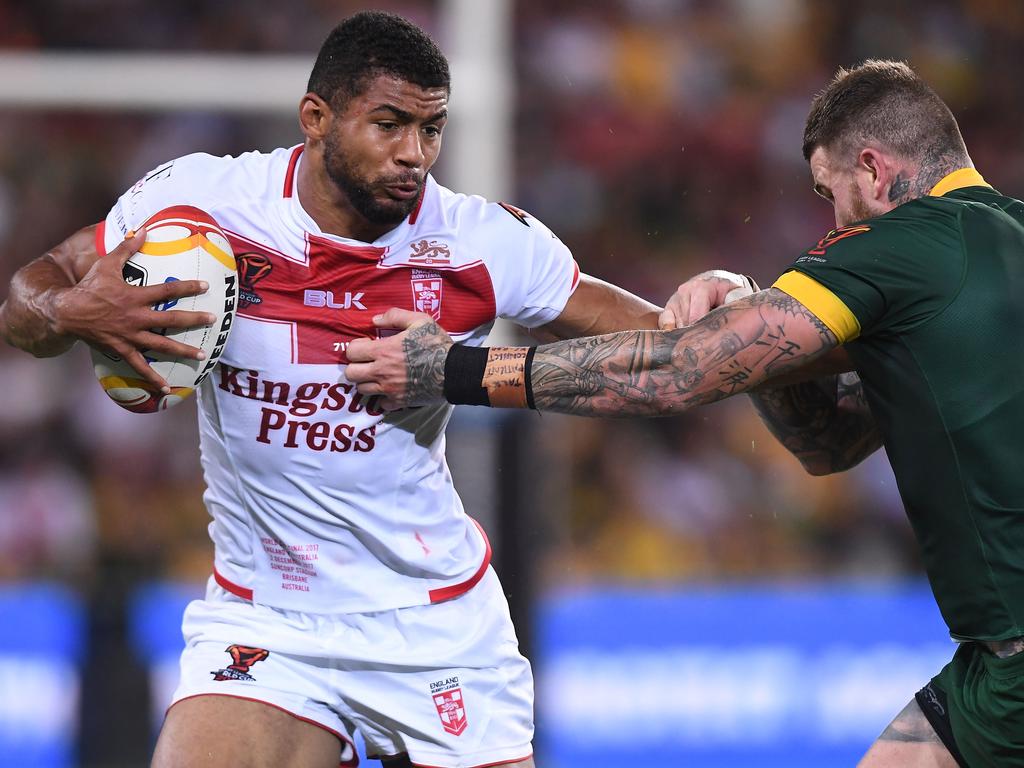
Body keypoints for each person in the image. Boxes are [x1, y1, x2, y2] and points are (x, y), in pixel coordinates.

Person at [0, 11, 664, 768]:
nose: (415, 155)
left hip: (436, 625)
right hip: (268, 620)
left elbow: (663, 351)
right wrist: (69, 309)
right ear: (316, 118)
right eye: (389, 124)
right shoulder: (206, 205)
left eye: (432, 129)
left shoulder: (481, 242)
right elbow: (29, 295)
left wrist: (720, 309)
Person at [346, 59, 1024, 768]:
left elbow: (676, 372)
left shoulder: (904, 244)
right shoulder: (990, 248)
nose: (835, 219)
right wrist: (749, 313)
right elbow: (833, 440)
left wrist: (450, 369)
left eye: (832, 194)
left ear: (874, 171)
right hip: (991, 666)